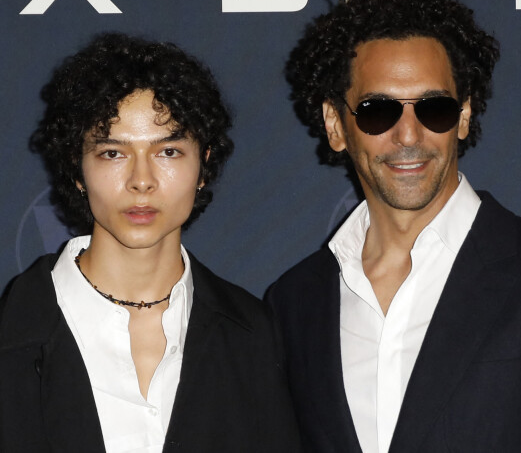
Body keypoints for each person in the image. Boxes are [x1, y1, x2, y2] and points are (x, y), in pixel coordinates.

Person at [266, 0, 521, 452]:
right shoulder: (294, 305)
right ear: (336, 125)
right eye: (378, 111)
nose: (409, 134)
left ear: (465, 115)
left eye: (435, 108)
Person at [0, 33, 300, 453]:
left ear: (204, 165)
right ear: (75, 167)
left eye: (169, 152)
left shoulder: (253, 334)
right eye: (112, 153)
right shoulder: (12, 330)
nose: (142, 180)